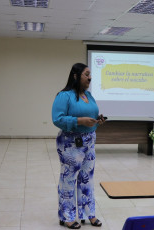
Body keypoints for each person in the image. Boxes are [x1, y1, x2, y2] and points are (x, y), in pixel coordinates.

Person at [52, 63, 105, 229]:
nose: (90, 78)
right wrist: (79, 121)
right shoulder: (64, 96)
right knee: (69, 178)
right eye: (86, 74)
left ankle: (88, 214)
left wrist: (98, 120)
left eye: (90, 75)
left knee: (87, 178)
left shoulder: (88, 95)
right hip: (69, 143)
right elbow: (57, 119)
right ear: (76, 76)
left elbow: (92, 114)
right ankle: (67, 216)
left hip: (89, 141)